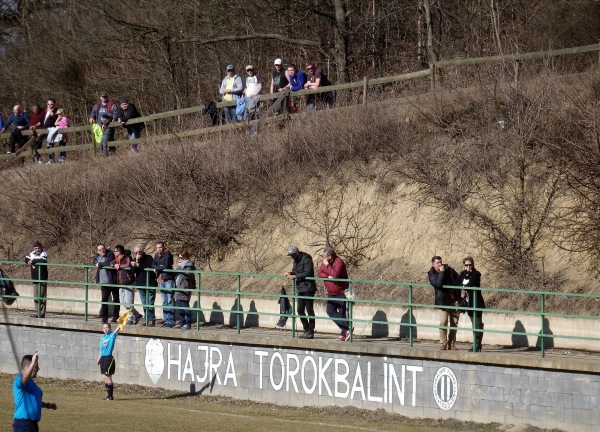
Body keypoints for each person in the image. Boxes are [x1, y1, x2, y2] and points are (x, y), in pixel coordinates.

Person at [13, 353, 57, 431]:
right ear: (28, 367)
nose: (38, 369)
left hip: (32, 425)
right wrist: (33, 362)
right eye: (36, 367)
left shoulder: (32, 383)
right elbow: (25, 378)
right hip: (23, 424)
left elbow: (35, 401)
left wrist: (47, 405)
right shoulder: (20, 379)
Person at [317, 246, 351, 341]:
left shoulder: (339, 262)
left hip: (340, 291)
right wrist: (328, 276)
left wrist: (327, 266)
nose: (323, 258)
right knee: (330, 311)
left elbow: (335, 275)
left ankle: (344, 333)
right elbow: (320, 273)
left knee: (342, 313)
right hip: (331, 292)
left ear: (329, 256)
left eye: (324, 256)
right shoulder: (325, 262)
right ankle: (347, 329)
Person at [428, 255, 461, 350]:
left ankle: (451, 343)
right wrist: (442, 272)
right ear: (433, 264)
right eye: (438, 263)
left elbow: (457, 279)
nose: (440, 264)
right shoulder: (432, 274)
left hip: (454, 299)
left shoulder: (449, 269)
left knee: (454, 322)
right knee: (443, 322)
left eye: (441, 262)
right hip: (443, 301)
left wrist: (460, 291)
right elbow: (438, 284)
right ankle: (443, 342)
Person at [284, 246, 317, 339]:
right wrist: (290, 273)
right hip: (301, 288)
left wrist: (295, 277)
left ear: (297, 253)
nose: (291, 257)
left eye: (292, 255)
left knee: (310, 310)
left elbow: (308, 273)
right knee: (300, 310)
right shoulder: (295, 260)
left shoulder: (307, 259)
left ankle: (311, 331)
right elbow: (295, 271)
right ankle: (306, 330)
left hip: (309, 288)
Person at [110, 245, 142, 325]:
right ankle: (138, 315)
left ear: (119, 252)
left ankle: (130, 319)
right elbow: (111, 262)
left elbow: (128, 264)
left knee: (129, 302)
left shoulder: (127, 257)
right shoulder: (117, 259)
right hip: (121, 283)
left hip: (129, 283)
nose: (114, 253)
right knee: (123, 302)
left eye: (115, 251)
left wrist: (119, 266)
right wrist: (114, 265)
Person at [459, 256, 485, 352]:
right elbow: (458, 283)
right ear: (464, 265)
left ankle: (477, 344)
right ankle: (477, 344)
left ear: (473, 265)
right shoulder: (462, 274)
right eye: (466, 265)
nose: (468, 267)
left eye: (470, 265)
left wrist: (464, 288)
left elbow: (472, 283)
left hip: (476, 302)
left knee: (477, 324)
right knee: (474, 323)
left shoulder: (476, 274)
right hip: (468, 303)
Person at [131, 245, 158, 326]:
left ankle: (151, 319)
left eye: (139, 252)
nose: (138, 254)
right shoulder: (134, 259)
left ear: (142, 251)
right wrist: (136, 261)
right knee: (144, 303)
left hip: (150, 283)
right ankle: (146, 319)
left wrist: (138, 264)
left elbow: (149, 267)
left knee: (150, 303)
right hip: (141, 284)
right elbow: (132, 271)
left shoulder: (148, 258)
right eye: (136, 252)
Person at [94, 244, 119, 324]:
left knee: (116, 299)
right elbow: (94, 262)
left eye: (103, 249)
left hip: (112, 281)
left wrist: (100, 264)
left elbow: (110, 263)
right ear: (98, 251)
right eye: (100, 250)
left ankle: (116, 317)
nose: (102, 250)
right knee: (104, 300)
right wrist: (97, 263)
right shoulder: (97, 256)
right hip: (103, 282)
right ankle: (104, 318)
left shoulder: (110, 254)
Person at [153, 242, 175, 328]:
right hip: (161, 280)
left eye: (160, 247)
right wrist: (158, 266)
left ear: (163, 247)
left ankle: (171, 321)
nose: (159, 249)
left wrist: (158, 267)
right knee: (164, 301)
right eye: (157, 247)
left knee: (169, 300)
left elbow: (165, 266)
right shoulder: (156, 255)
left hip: (168, 279)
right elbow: (153, 264)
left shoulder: (167, 254)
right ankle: (166, 320)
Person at [97, 322, 121, 400]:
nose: (105, 329)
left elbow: (116, 331)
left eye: (107, 327)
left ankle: (110, 396)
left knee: (107, 377)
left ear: (110, 328)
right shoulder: (103, 337)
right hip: (103, 358)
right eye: (104, 328)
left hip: (108, 358)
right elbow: (101, 349)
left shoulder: (111, 336)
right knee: (104, 377)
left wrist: (121, 324)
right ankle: (108, 395)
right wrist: (99, 358)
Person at [173, 250, 196, 330]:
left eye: (181, 258)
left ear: (185, 257)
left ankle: (188, 323)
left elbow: (187, 275)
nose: (180, 259)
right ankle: (181, 322)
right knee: (179, 306)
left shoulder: (189, 265)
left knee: (185, 306)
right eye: (179, 257)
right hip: (178, 286)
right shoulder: (181, 265)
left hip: (184, 287)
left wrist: (178, 268)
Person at [25, 241, 48, 318]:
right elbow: (26, 258)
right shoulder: (32, 254)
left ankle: (41, 313)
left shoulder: (44, 253)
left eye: (38, 248)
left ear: (41, 248)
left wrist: (33, 261)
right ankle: (37, 312)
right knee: (36, 295)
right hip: (35, 277)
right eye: (36, 248)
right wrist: (28, 261)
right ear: (34, 248)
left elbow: (42, 260)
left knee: (41, 295)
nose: (37, 249)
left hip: (42, 278)